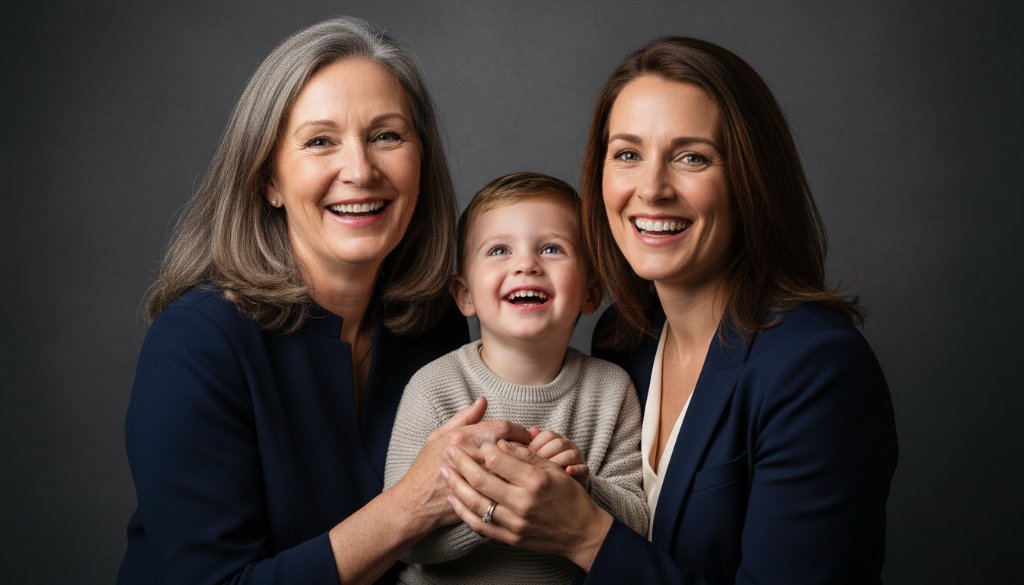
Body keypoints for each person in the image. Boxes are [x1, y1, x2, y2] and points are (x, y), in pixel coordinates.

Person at [439, 37, 898, 584]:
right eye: (628, 154)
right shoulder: (625, 337)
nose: (651, 189)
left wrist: (585, 535)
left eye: (692, 157)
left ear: (749, 181)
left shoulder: (817, 369)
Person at [118, 17, 534, 585]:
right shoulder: (195, 343)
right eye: (320, 142)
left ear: (421, 162)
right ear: (268, 179)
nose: (361, 171)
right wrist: (407, 508)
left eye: (387, 136)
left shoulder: (432, 323)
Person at [383, 172, 648, 585]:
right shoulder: (434, 388)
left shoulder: (611, 391)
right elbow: (403, 540)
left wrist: (581, 490)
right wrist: (508, 499)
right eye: (499, 250)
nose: (526, 264)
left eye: (552, 248)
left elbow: (639, 523)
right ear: (465, 295)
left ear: (591, 294)